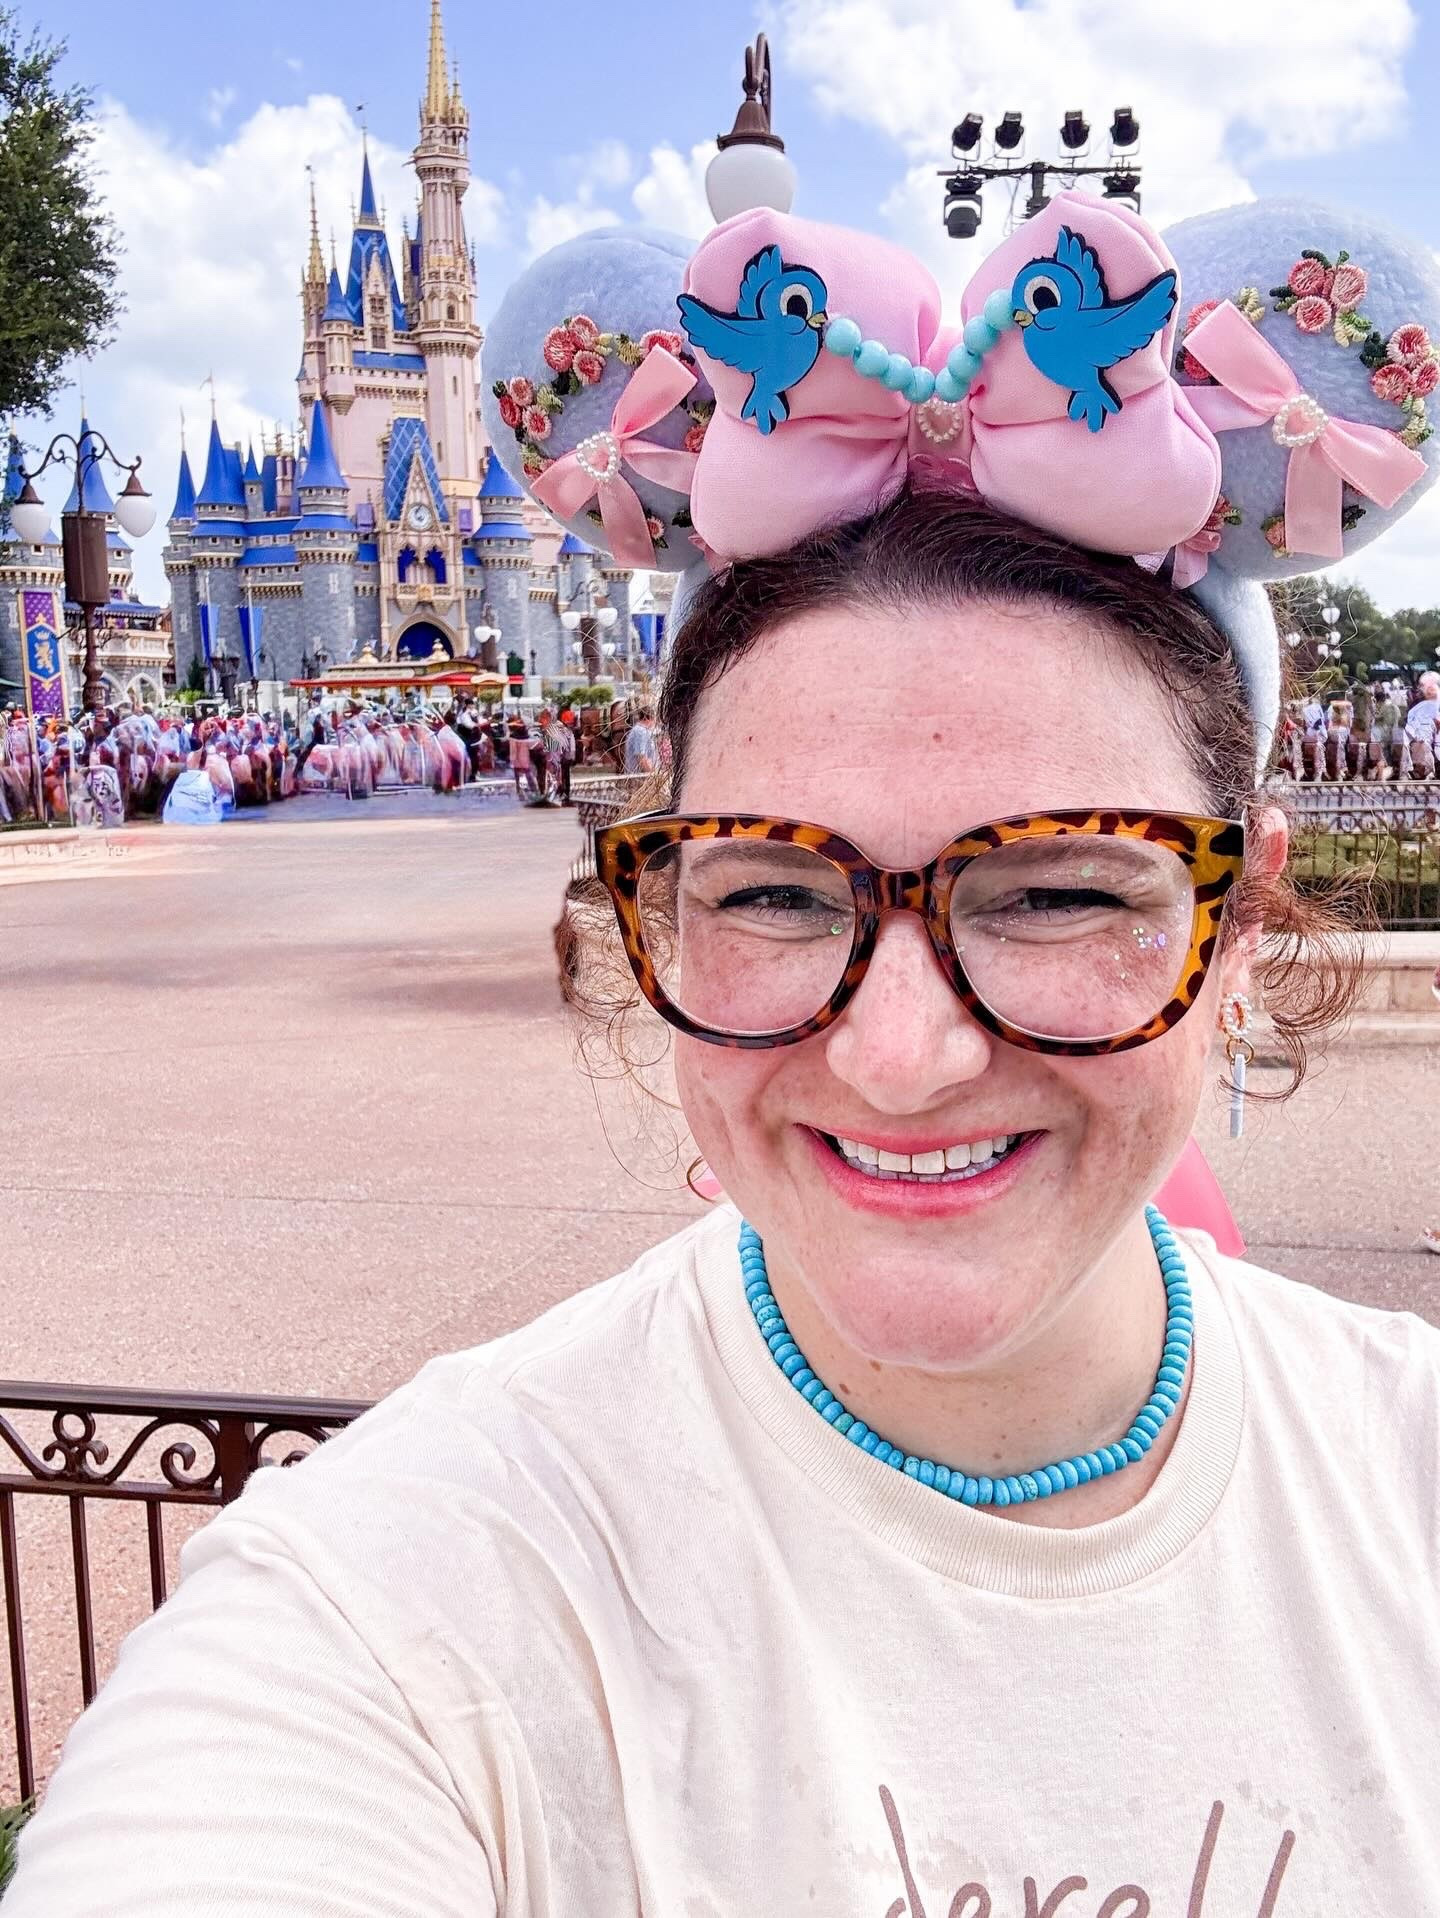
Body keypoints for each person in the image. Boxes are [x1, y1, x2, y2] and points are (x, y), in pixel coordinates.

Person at [13, 193, 1440, 1914]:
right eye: (773, 888)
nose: (903, 1054)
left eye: (1058, 889)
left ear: (1248, 916)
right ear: (660, 898)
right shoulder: (405, 1598)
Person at [1404, 669, 1439, 778]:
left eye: (1431, 685)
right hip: (1425, 751)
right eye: (1424, 686)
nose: (1428, 689)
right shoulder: (1416, 710)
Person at [623, 702, 658, 775]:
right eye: (654, 719)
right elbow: (641, 758)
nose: (655, 722)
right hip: (640, 777)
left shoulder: (642, 731)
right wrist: (654, 775)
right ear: (648, 718)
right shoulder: (641, 732)